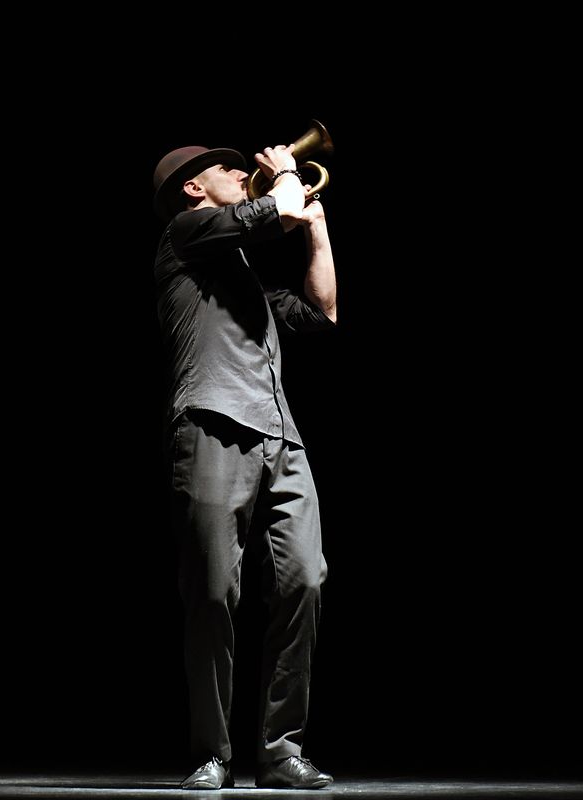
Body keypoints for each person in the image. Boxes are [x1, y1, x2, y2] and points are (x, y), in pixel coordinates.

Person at [151, 140, 337, 790]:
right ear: (193, 188)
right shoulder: (186, 233)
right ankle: (213, 752)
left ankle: (282, 751)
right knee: (212, 592)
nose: (240, 171)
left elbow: (321, 313)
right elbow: (269, 211)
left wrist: (317, 226)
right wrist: (284, 176)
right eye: (225, 167)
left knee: (305, 580)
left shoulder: (244, 274)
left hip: (281, 435)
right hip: (213, 422)